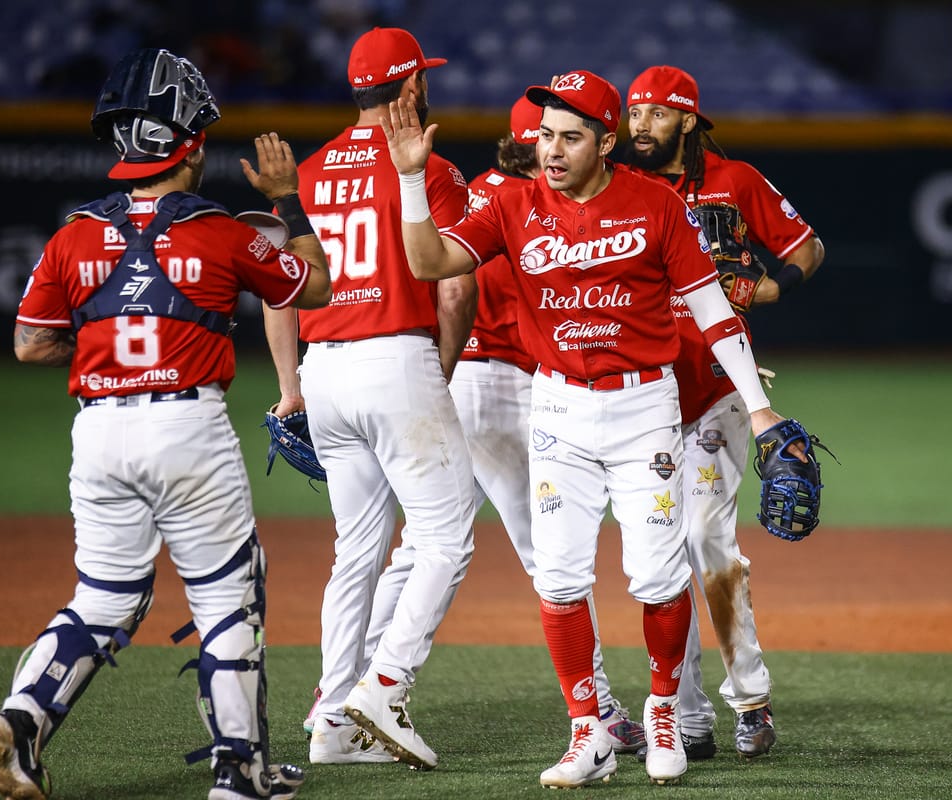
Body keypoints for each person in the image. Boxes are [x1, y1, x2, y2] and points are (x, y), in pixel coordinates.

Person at [380, 69, 810, 788]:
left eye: (570, 137)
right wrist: (411, 182)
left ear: (606, 142)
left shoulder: (654, 205)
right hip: (557, 408)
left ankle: (665, 710)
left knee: (657, 575)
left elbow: (711, 309)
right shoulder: (514, 204)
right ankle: (589, 731)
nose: (551, 149)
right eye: (545, 135)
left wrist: (757, 409)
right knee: (558, 577)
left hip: (646, 407)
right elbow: (429, 261)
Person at [0, 48, 332, 800]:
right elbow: (318, 286)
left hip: (100, 432)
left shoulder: (74, 234)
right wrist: (287, 200)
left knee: (103, 597)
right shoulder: (223, 234)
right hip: (188, 431)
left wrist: (111, 351)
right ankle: (240, 771)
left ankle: (25, 714)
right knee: (227, 593)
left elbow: (30, 342)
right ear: (192, 144)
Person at [356, 94, 646, 758]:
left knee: (420, 546)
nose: (553, 150)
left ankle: (346, 686)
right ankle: (599, 707)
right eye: (550, 138)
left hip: (458, 382)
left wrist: (439, 380)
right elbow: (457, 287)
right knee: (553, 556)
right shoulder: (538, 205)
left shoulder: (480, 194)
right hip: (514, 391)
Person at [262, 27, 477, 771]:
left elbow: (278, 289)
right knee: (447, 538)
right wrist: (437, 371)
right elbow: (454, 285)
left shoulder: (311, 175)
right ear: (410, 88)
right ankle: (385, 688)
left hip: (324, 371)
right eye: (423, 77)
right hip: (397, 356)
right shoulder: (431, 169)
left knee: (355, 552)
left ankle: (330, 722)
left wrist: (291, 386)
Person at [624, 64, 826, 760]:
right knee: (657, 558)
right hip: (642, 398)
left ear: (687, 120)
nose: (639, 124)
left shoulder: (734, 182)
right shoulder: (621, 191)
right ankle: (687, 715)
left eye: (655, 113)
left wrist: (772, 288)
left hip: (715, 391)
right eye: (633, 112)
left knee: (706, 544)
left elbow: (808, 246)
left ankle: (752, 700)